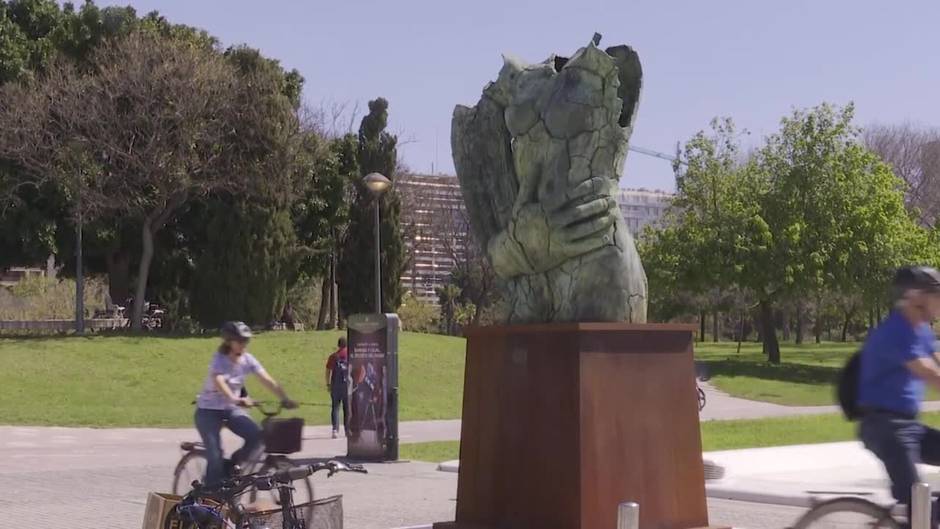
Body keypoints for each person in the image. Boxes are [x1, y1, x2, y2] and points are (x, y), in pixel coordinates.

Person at [858, 266, 940, 526]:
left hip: (907, 426)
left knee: (924, 510)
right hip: (885, 428)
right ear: (917, 296)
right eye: (935, 295)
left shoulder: (921, 330)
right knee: (918, 502)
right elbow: (930, 373)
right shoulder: (895, 332)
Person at [195, 321, 297, 488]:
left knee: (257, 436)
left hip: (230, 410)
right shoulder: (220, 359)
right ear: (229, 341)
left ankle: (231, 468)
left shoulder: (247, 360)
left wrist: (284, 398)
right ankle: (210, 493)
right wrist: (235, 398)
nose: (244, 345)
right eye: (240, 341)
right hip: (208, 411)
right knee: (215, 453)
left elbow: (266, 379)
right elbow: (218, 380)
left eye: (246, 341)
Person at [325, 336, 349, 439]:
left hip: (335, 385)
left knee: (335, 407)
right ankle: (348, 431)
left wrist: (328, 384)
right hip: (347, 386)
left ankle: (335, 430)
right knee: (347, 409)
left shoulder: (333, 356)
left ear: (338, 345)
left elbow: (327, 371)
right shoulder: (350, 355)